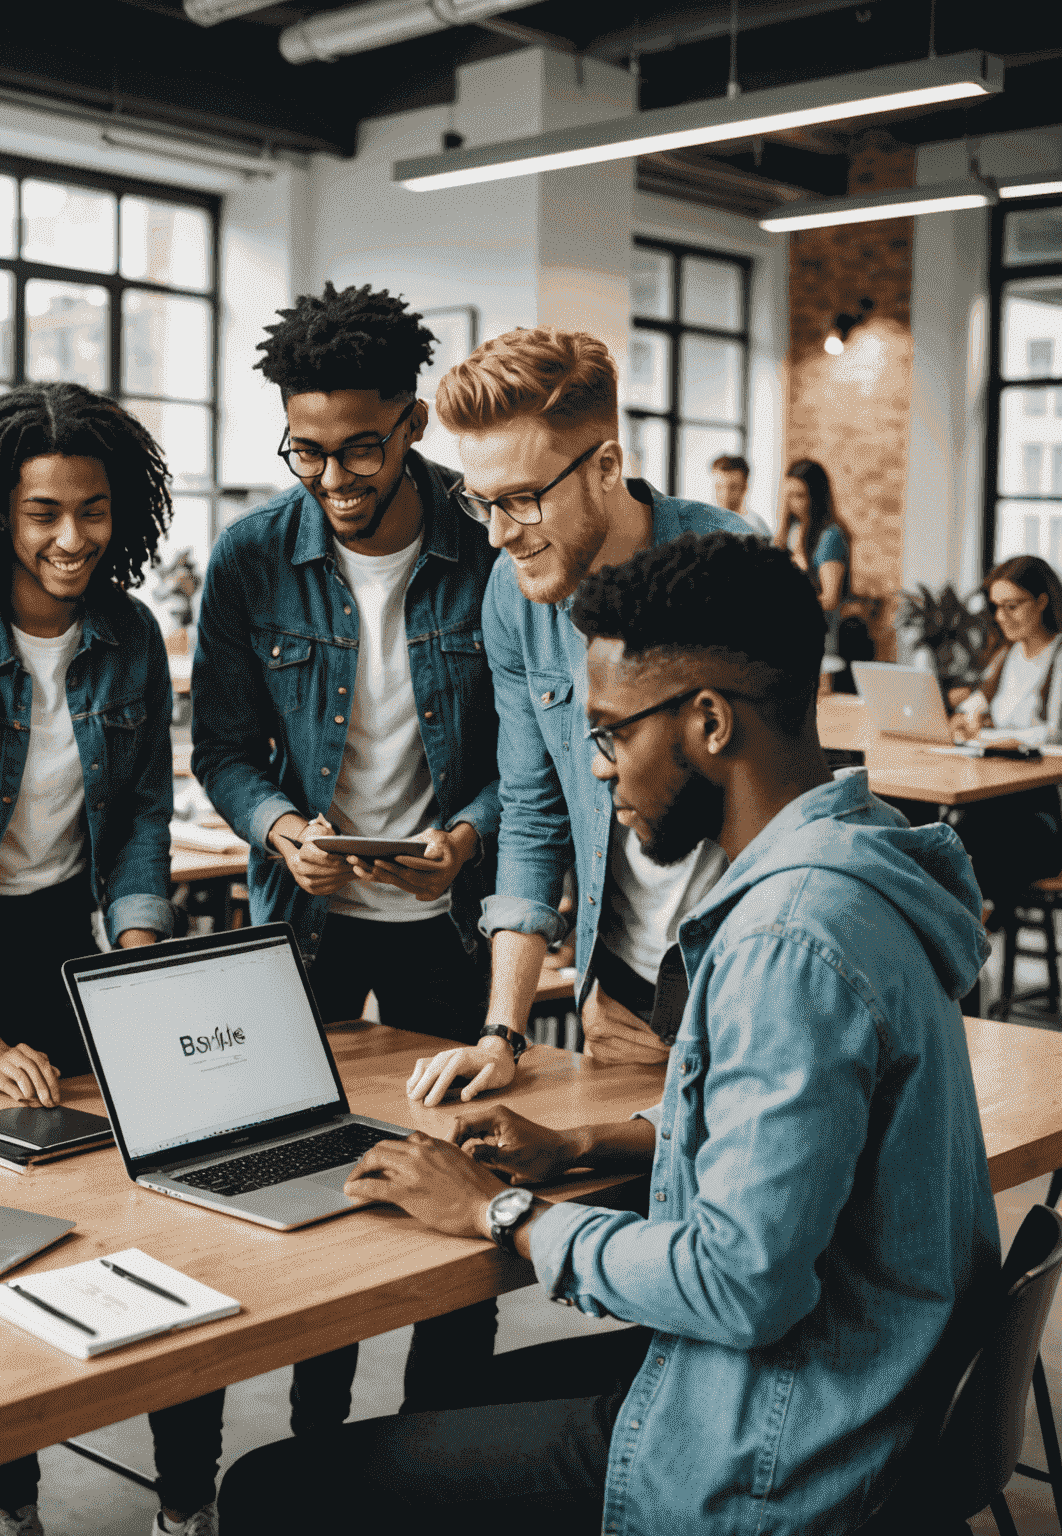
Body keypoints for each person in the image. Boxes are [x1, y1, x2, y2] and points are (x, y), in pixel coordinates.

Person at [217, 531, 1000, 1536]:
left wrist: (500, 1217)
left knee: (275, 1491)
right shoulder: (860, 864)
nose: (599, 772)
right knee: (450, 1408)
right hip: (870, 1389)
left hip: (783, 1451)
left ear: (709, 721)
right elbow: (804, 1144)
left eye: (611, 734)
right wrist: (584, 1143)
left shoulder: (788, 940)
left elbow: (737, 1284)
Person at [0, 383, 218, 1536]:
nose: (71, 539)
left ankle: (189, 1502)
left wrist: (136, 956)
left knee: (157, 1214)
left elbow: (137, 816)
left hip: (73, 952)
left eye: (92, 511)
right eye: (41, 513)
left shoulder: (128, 635)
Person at [191, 285, 502, 1440]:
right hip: (304, 917)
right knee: (299, 1178)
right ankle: (317, 1443)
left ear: (413, 423)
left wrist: (464, 839)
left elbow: (529, 750)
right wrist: (278, 828)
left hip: (449, 921)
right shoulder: (252, 559)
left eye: (360, 448)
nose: (332, 477)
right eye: (305, 449)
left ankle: (448, 1443)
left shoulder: (485, 547)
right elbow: (221, 747)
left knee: (456, 1172)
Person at [408, 326, 744, 1105]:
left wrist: (730, 1014)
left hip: (741, 984)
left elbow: (775, 796)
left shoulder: (730, 562)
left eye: (522, 500)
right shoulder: (512, 596)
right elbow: (531, 812)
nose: (498, 534)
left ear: (606, 466)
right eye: (482, 501)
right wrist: (502, 1033)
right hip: (623, 995)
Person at [946, 554, 1062, 908]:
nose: (1001, 618)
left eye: (1012, 606)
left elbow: (1055, 735)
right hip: (996, 798)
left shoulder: (1058, 657)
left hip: (1040, 815)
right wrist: (966, 719)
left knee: (965, 839)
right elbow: (975, 705)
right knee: (952, 833)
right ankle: (966, 929)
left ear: (1042, 601)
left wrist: (1012, 739)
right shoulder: (1007, 656)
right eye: (997, 607)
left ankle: (967, 931)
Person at [774, 456, 850, 615]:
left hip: (817, 631)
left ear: (816, 497)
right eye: (789, 495)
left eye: (799, 496)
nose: (792, 503)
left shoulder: (830, 536)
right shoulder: (792, 529)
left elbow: (830, 600)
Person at [708, 452, 771, 537]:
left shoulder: (755, 529)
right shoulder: (701, 525)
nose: (725, 494)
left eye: (733, 487)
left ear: (745, 488)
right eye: (719, 487)